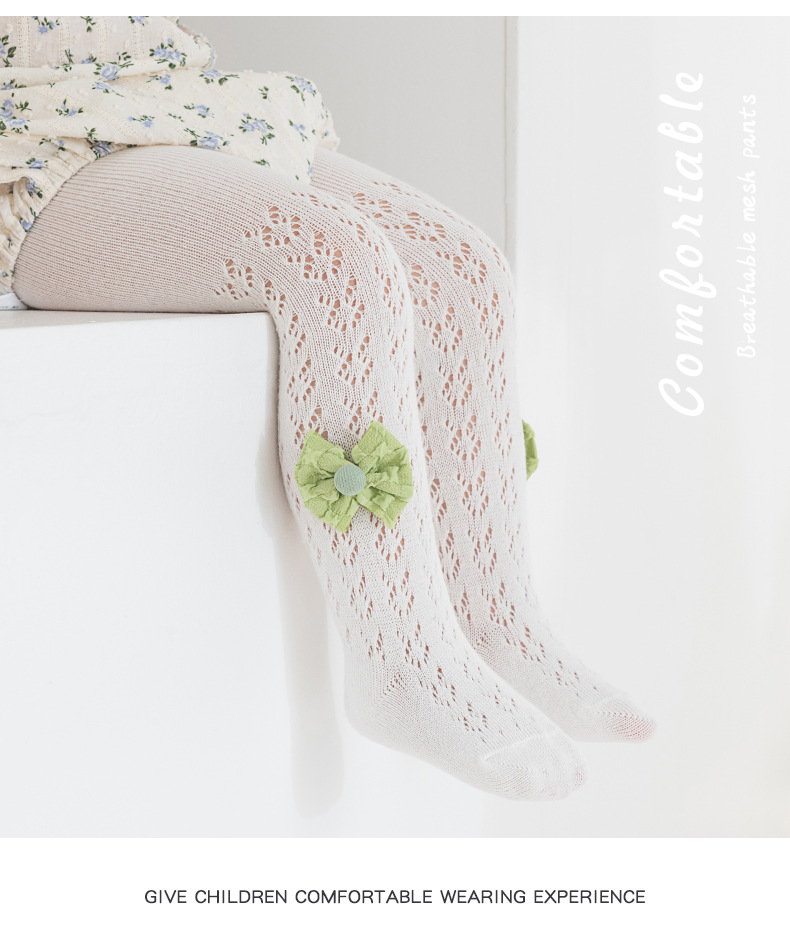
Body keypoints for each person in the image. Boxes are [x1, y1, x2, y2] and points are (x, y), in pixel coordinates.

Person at [2, 15, 654, 801]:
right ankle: (404, 660)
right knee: (333, 262)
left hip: (162, 92)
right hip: (30, 137)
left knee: (463, 271)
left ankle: (497, 619)